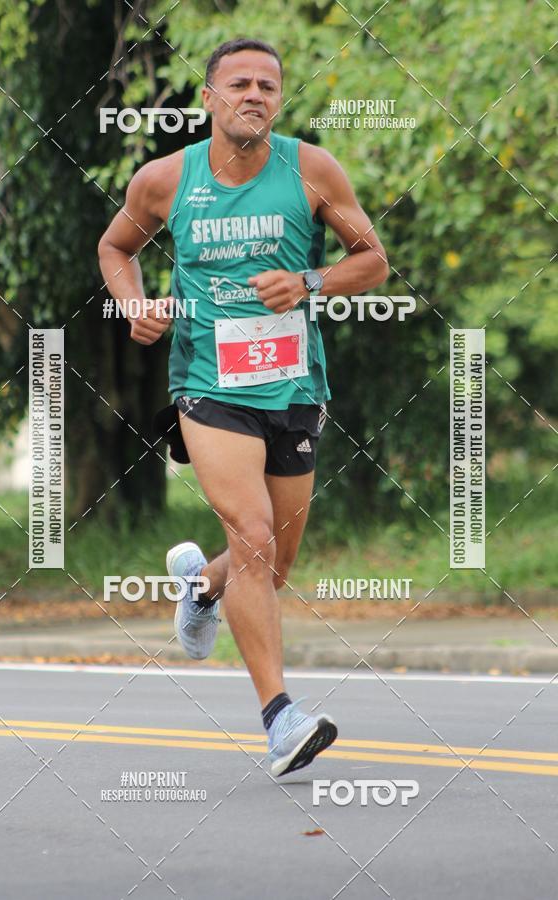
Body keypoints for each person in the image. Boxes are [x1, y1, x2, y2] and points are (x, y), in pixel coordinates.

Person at [98, 37, 389, 777]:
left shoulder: (312, 169)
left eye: (267, 85)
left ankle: (201, 588)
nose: (253, 94)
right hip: (208, 383)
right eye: (238, 83)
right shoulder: (166, 179)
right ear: (209, 98)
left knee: (275, 562)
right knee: (254, 536)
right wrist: (134, 305)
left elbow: (373, 260)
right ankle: (280, 718)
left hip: (294, 386)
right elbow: (115, 248)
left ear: (280, 101)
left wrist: (310, 282)